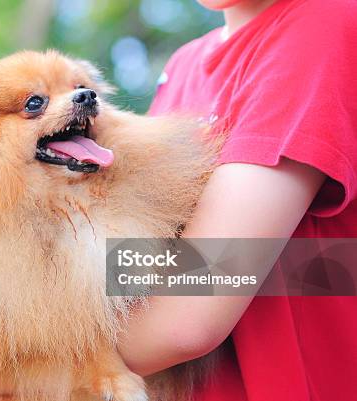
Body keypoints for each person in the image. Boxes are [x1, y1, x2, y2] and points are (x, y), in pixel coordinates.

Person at [117, 0, 357, 400]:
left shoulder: (326, 21)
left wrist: (14, 352)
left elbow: (189, 307)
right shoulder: (183, 66)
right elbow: (150, 265)